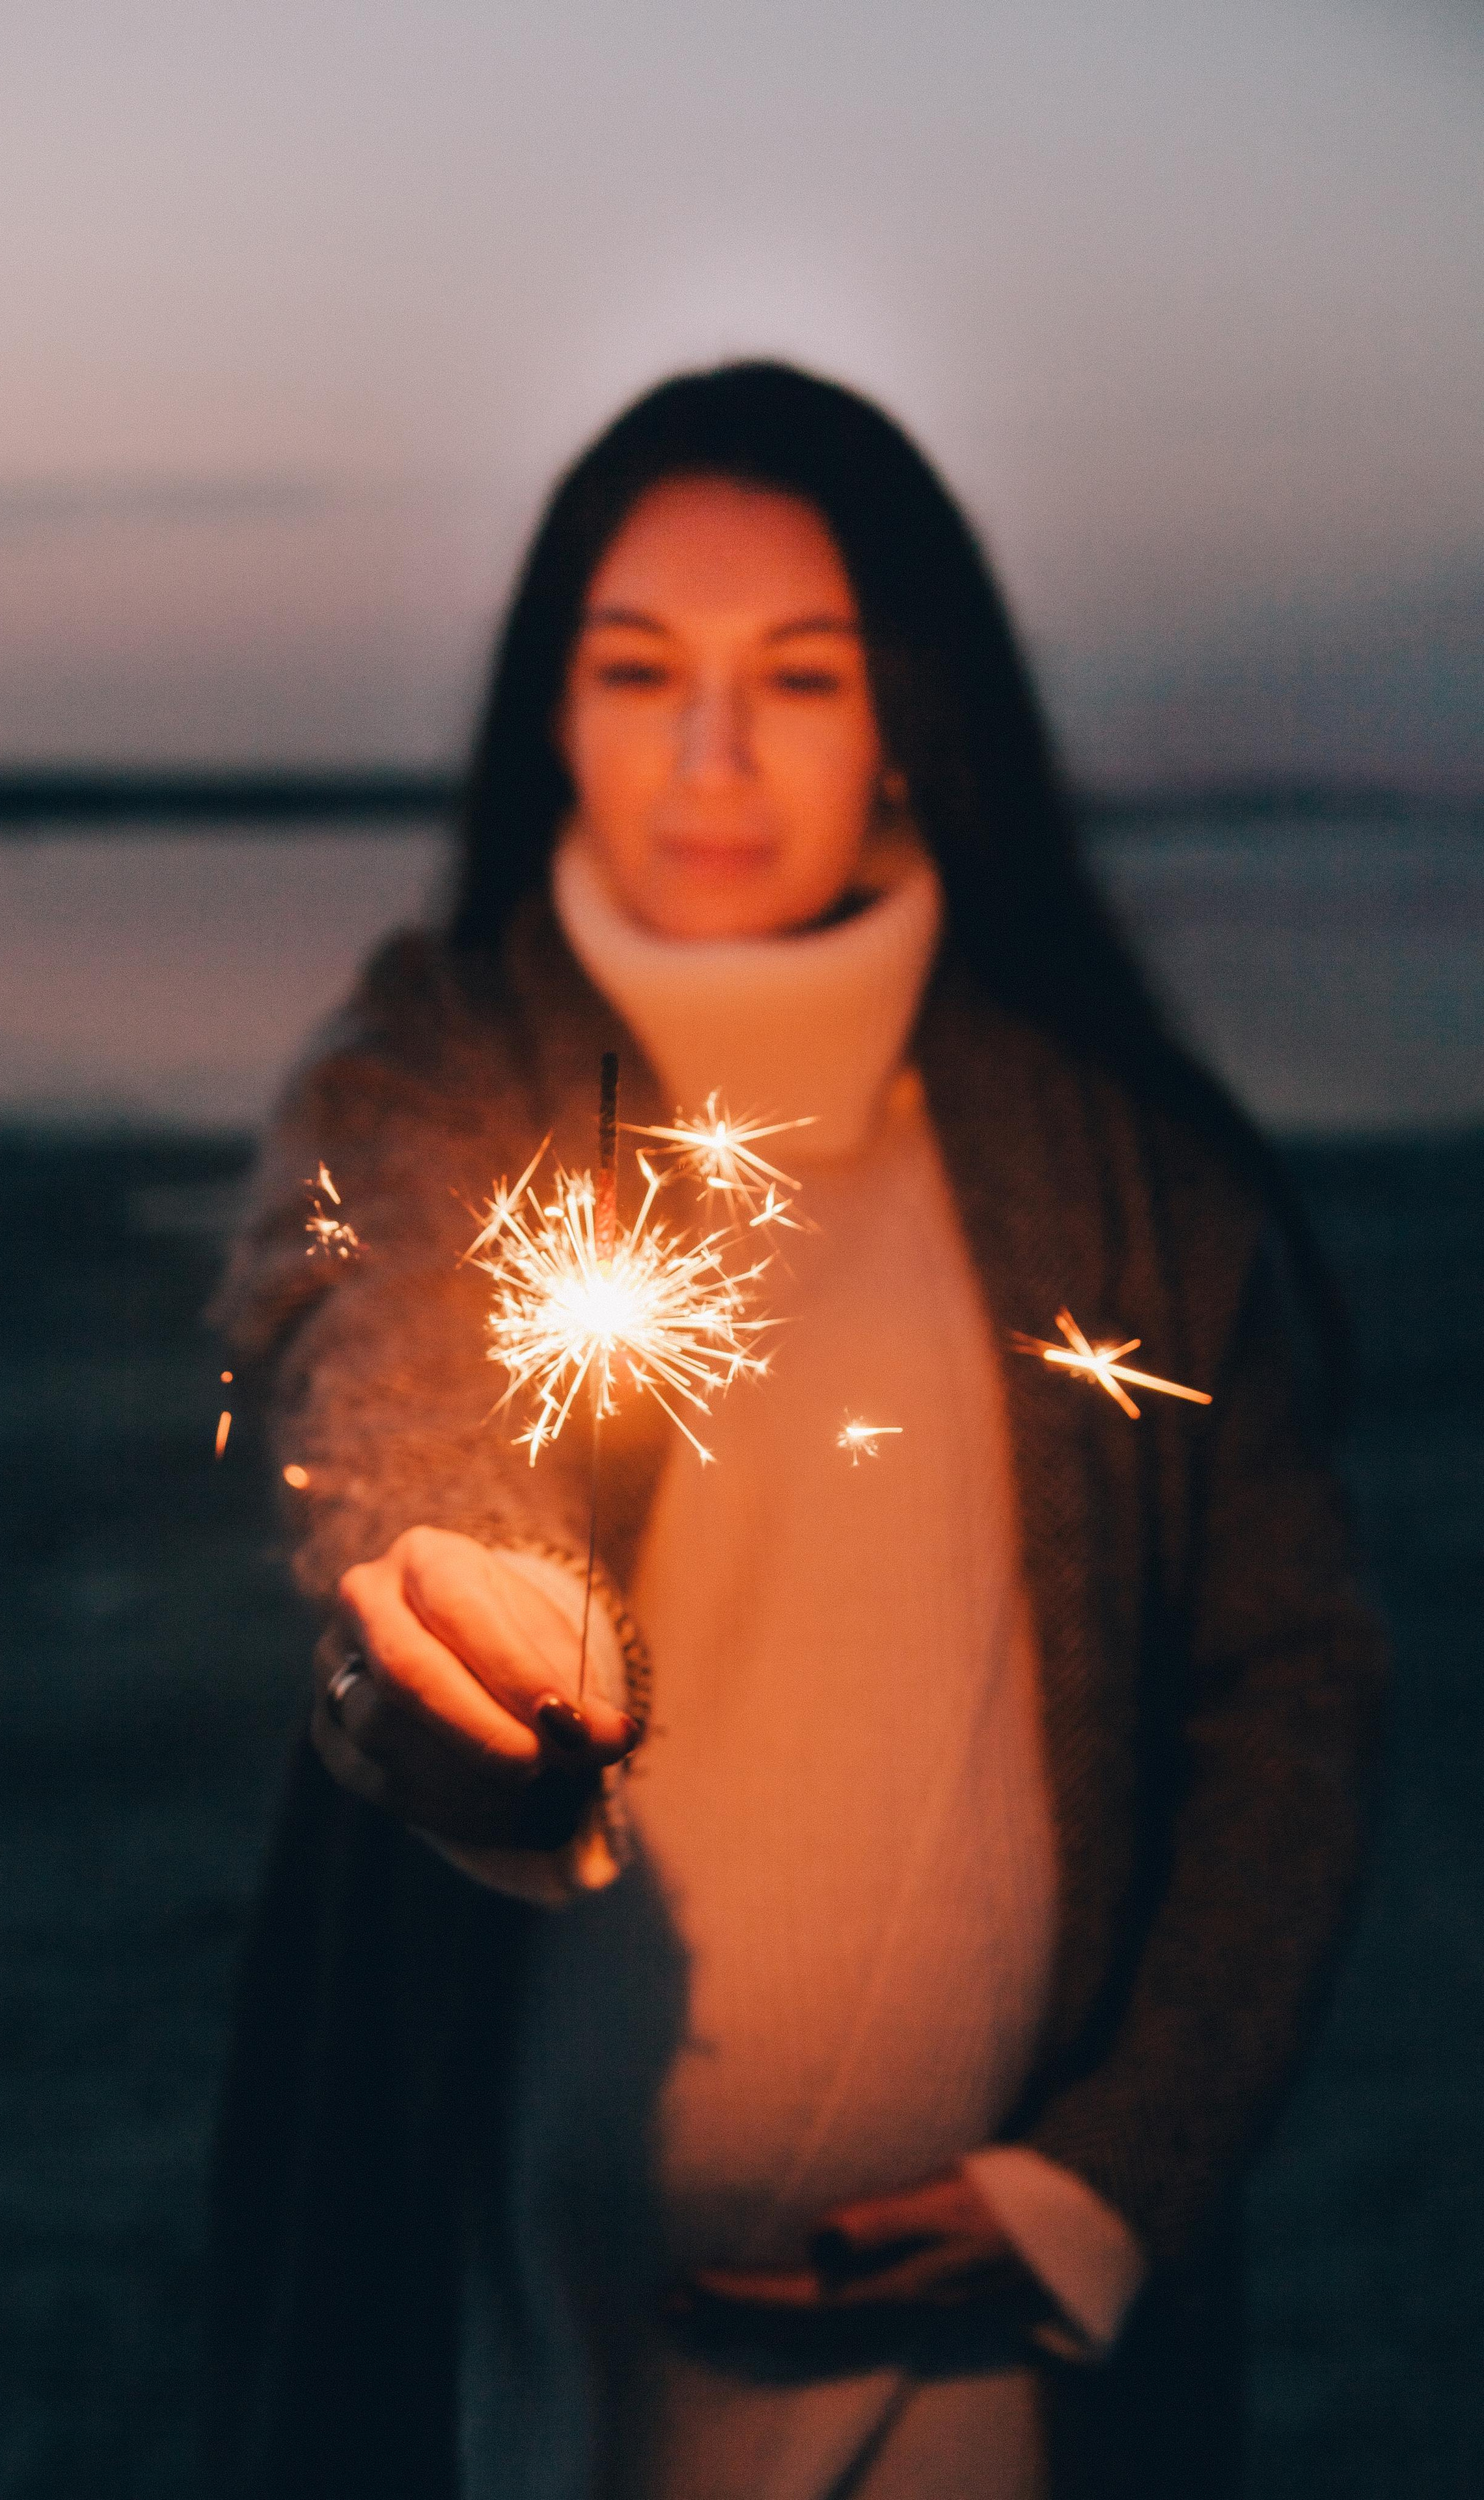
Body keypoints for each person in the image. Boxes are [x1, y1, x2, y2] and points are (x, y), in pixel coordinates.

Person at [204, 363, 1385, 2500]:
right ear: (548, 711)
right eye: (638, 667)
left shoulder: (1120, 1184)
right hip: (538, 2364)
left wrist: (1106, 2183)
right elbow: (395, 1376)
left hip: (991, 2381)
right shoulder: (436, 1076)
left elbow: (1287, 1692)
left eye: (802, 676)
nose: (713, 753)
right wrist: (468, 1641)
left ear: (913, 712)